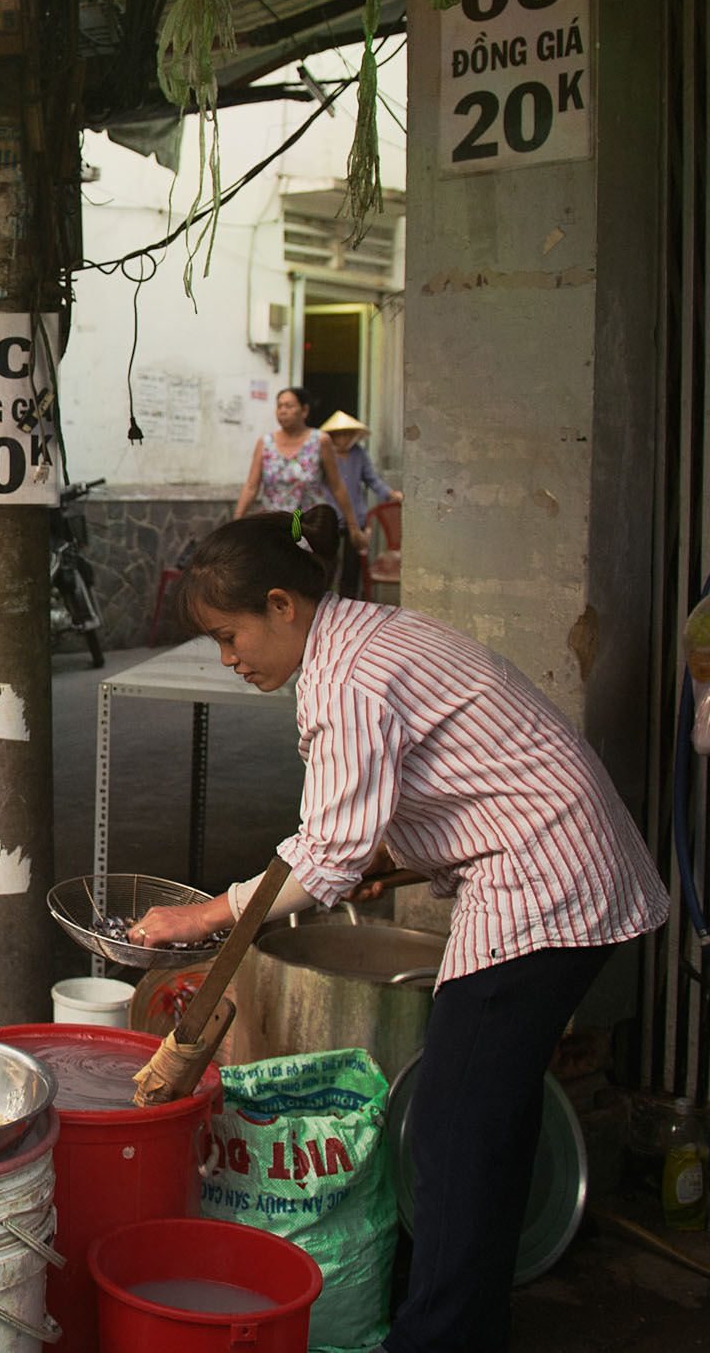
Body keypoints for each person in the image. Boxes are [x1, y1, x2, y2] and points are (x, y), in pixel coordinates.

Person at [125, 505, 667, 1353]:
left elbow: (325, 855)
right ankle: (470, 1324)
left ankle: (436, 1339)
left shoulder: (346, 678)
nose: (229, 659)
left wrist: (204, 912)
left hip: (545, 881)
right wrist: (389, 857)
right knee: (485, 1120)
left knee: (451, 1131)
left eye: (231, 637)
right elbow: (441, 783)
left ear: (282, 605)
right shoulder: (363, 636)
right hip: (565, 860)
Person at [234, 387, 363, 554]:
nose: (283, 411)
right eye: (279, 406)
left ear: (304, 410)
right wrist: (236, 522)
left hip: (309, 528)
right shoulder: (265, 443)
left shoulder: (320, 441)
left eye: (289, 406)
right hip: (274, 527)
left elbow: (337, 486)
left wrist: (353, 525)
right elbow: (251, 487)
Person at [321, 410, 400, 597]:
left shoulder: (359, 453)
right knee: (327, 562)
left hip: (356, 517)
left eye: (347, 434)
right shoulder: (323, 453)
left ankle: (349, 601)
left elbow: (373, 480)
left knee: (352, 566)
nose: (343, 439)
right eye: (338, 434)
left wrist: (391, 494)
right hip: (330, 515)